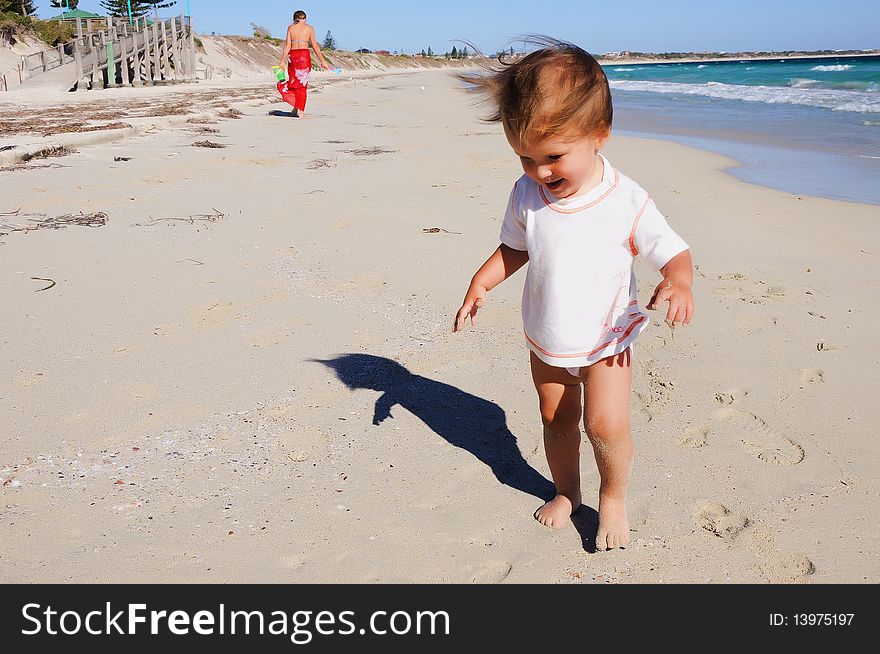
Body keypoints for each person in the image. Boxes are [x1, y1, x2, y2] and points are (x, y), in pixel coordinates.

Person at [453, 39, 694, 551]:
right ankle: (568, 491)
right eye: (525, 157)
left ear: (599, 134)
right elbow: (515, 248)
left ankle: (613, 498)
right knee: (555, 418)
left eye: (554, 157)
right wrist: (482, 281)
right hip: (547, 335)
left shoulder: (625, 200)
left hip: (607, 337)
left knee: (604, 424)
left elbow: (672, 251)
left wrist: (679, 280)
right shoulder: (527, 194)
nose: (541, 171)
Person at [277, 10, 330, 117]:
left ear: (294, 18)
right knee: (302, 84)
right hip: (303, 56)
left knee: (294, 81)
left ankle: (296, 108)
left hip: (293, 57)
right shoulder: (309, 28)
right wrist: (322, 61)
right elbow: (314, 46)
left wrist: (282, 61)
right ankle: (300, 110)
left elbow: (287, 45)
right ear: (305, 18)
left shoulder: (290, 28)